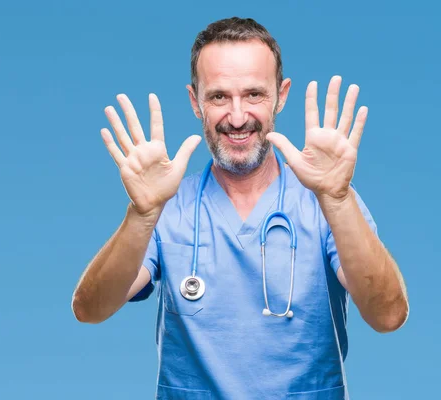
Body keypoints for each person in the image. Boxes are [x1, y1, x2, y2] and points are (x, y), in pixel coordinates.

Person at [71, 17, 409, 399]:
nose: (236, 117)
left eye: (253, 94)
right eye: (218, 97)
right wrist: (142, 214)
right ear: (195, 101)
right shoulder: (168, 207)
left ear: (281, 96)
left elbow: (387, 316)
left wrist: (337, 199)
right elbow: (91, 309)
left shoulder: (326, 200)